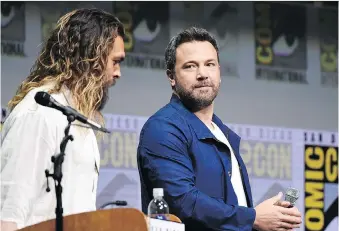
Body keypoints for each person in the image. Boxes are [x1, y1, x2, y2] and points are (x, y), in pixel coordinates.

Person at [137, 27, 302, 231]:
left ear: (219, 72)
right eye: (190, 66)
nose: (202, 74)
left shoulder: (222, 133)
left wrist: (266, 221)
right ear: (171, 77)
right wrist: (253, 218)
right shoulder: (163, 128)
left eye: (210, 64)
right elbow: (183, 201)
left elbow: (229, 216)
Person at [1, 8, 125, 231]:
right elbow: (9, 210)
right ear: (90, 58)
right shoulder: (39, 114)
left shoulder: (74, 115)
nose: (118, 73)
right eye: (115, 62)